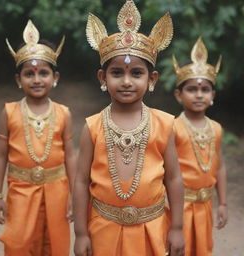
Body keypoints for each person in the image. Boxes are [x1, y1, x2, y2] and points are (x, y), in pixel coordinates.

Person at [73, 1, 185, 256]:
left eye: (136, 73)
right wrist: (81, 233)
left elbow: (174, 178)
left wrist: (177, 227)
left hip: (152, 229)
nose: (126, 82)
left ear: (152, 79)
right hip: (103, 229)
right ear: (103, 78)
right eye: (116, 73)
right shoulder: (93, 126)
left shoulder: (164, 123)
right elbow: (80, 182)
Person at [0, 20, 75, 256]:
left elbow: (70, 155)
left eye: (43, 73)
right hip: (20, 192)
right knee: (19, 244)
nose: (36, 80)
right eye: (29, 74)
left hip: (57, 191)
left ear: (55, 77)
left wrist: (73, 196)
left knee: (55, 244)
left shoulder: (63, 112)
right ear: (19, 80)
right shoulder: (9, 112)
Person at [172, 37, 228, 256]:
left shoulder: (216, 128)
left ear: (212, 95)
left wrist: (222, 203)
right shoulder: (173, 127)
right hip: (179, 206)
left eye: (205, 89)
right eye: (192, 89)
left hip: (205, 204)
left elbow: (220, 167)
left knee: (203, 250)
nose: (198, 94)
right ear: (179, 95)